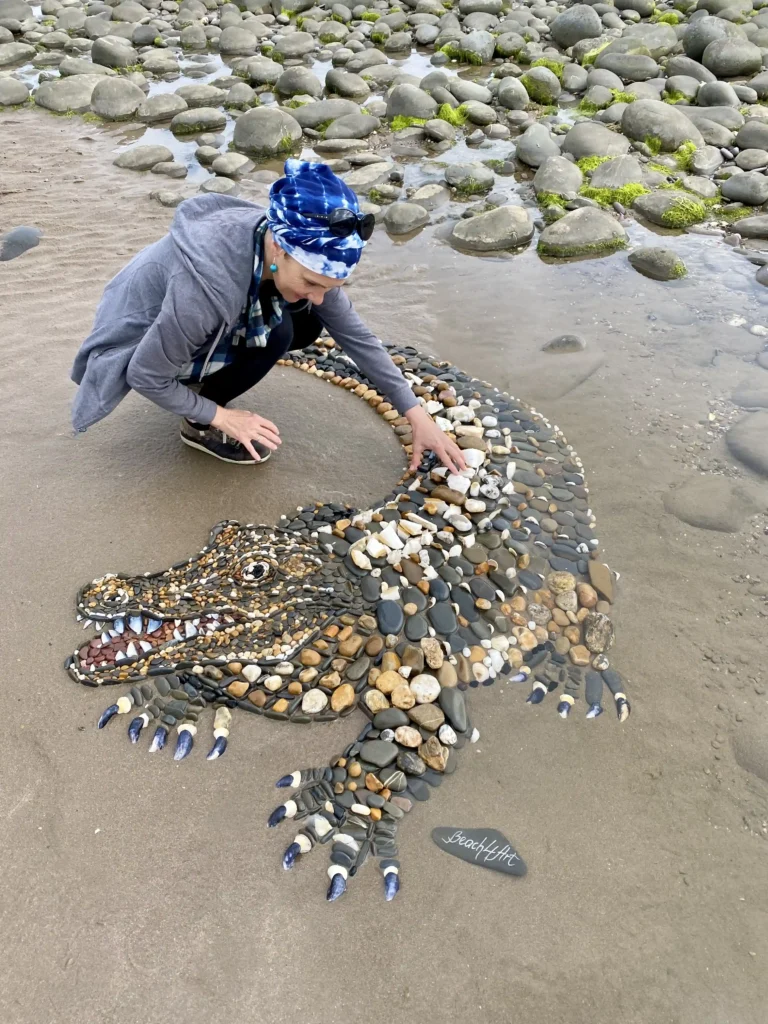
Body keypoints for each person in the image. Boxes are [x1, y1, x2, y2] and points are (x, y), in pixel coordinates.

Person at [70, 159, 465, 474]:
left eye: (330, 285)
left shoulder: (281, 240)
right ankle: (198, 423)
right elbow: (144, 375)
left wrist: (416, 414)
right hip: (134, 345)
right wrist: (221, 416)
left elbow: (356, 336)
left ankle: (208, 381)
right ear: (278, 248)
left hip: (208, 310)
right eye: (312, 281)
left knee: (307, 321)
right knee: (276, 335)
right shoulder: (207, 291)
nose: (321, 295)